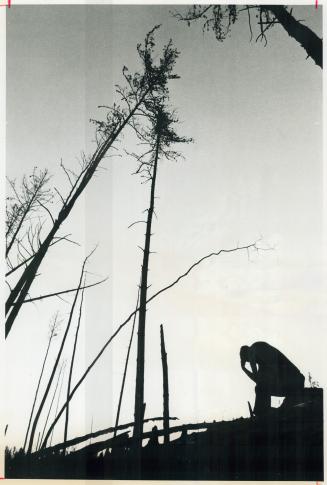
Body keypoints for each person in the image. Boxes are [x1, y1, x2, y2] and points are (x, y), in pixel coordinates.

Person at [240, 341, 305, 417]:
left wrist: (244, 366)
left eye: (246, 360)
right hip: (297, 383)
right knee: (261, 387)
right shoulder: (263, 364)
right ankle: (264, 412)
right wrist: (244, 369)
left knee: (261, 388)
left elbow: (259, 382)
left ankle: (262, 413)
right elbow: (258, 381)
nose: (249, 362)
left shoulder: (253, 349)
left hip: (293, 380)